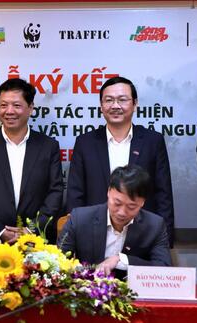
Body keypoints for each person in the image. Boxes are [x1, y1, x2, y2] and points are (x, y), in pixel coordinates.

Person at [66, 76, 174, 243]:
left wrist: (165, 240)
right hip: (94, 234)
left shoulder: (153, 141)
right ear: (101, 106)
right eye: (109, 100)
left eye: (122, 100)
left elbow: (163, 194)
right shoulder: (85, 143)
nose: (115, 106)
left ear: (135, 103)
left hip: (142, 235)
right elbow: (75, 193)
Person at [0, 78, 63, 243]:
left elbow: (55, 192)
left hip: (38, 241)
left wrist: (32, 229)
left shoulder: (48, 146)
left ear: (30, 108)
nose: (9, 111)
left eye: (17, 105)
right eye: (3, 105)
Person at [59, 165, 171, 279]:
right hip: (87, 291)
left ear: (142, 203)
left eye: (131, 207)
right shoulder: (80, 218)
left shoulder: (155, 226)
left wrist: (122, 260)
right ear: (108, 192)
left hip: (134, 292)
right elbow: (58, 262)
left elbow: (163, 268)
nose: (122, 212)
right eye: (117, 203)